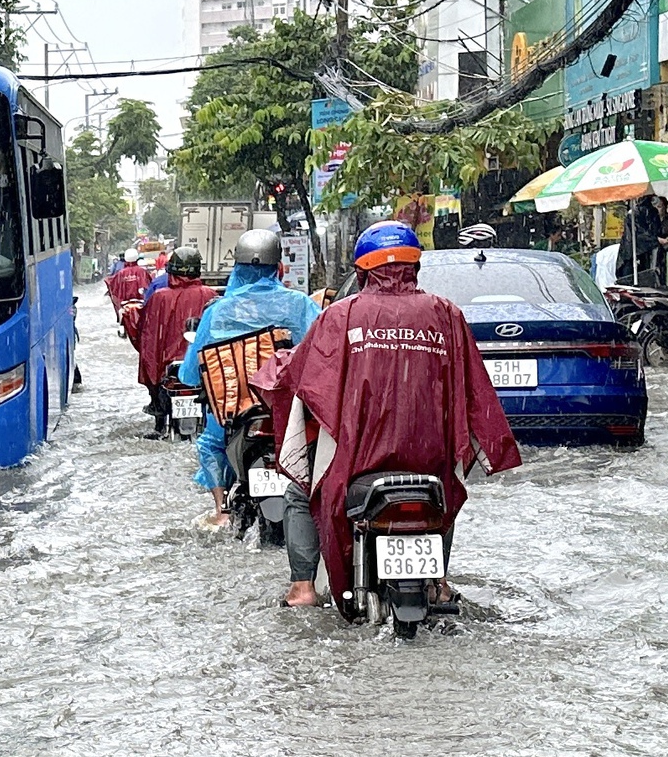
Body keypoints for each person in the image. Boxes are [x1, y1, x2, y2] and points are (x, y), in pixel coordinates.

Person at [254, 221, 522, 616]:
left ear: (362, 270)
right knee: (447, 487)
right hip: (428, 458)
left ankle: (303, 587)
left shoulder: (340, 315)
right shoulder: (446, 314)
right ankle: (438, 583)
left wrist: (272, 371)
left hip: (355, 461)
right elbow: (475, 390)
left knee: (298, 489)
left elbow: (303, 376)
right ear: (415, 265)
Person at [177, 227, 320, 526]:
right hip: (290, 409)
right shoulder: (302, 304)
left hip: (234, 411)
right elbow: (325, 357)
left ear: (237, 268)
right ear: (279, 268)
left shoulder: (217, 311)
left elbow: (190, 374)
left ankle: (221, 511)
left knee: (210, 444)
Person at [134, 244, 216, 437]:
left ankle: (159, 421)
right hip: (202, 367)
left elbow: (148, 337)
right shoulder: (210, 295)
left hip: (167, 369)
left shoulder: (159, 297)